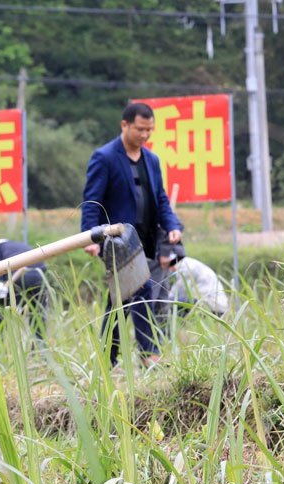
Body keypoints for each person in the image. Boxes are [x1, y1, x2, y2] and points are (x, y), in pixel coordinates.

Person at [81, 102, 182, 367]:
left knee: (120, 299)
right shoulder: (104, 157)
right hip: (117, 240)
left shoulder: (152, 159)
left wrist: (171, 225)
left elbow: (160, 198)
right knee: (141, 287)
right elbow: (92, 200)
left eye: (149, 130)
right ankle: (150, 354)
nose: (145, 135)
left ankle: (107, 358)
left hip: (145, 238)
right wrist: (89, 237)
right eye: (140, 129)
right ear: (124, 125)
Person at [0, 239, 48, 340]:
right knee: (37, 318)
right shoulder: (21, 246)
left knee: (1, 316)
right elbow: (42, 265)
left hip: (16, 277)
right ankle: (40, 352)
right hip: (39, 277)